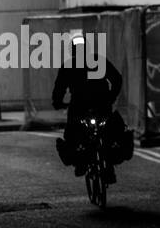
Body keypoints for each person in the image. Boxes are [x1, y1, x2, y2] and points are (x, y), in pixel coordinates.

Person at [52, 36, 127, 181]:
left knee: (73, 132)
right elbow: (116, 79)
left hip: (80, 106)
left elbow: (59, 88)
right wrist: (111, 96)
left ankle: (80, 162)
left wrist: (58, 102)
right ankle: (108, 166)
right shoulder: (98, 61)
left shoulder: (68, 65)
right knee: (108, 131)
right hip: (102, 104)